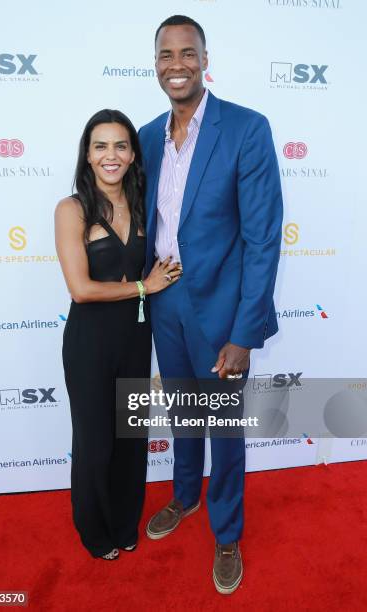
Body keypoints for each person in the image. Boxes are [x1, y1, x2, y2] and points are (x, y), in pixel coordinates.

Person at [139, 16, 283, 593]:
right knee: (182, 412)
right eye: (166, 55)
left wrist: (245, 332)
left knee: (222, 427)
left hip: (223, 311)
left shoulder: (246, 129)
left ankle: (226, 532)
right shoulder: (147, 135)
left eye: (187, 53)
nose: (177, 65)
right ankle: (183, 497)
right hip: (165, 305)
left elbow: (263, 237)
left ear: (204, 58)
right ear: (155, 63)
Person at [54, 109, 182, 560]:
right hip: (89, 342)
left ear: (132, 155)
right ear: (87, 155)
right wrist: (146, 285)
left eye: (120, 146)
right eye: (101, 146)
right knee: (93, 443)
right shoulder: (72, 209)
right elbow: (81, 288)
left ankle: (126, 524)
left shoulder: (143, 204)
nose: (111, 155)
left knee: (131, 440)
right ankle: (96, 534)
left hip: (135, 338)